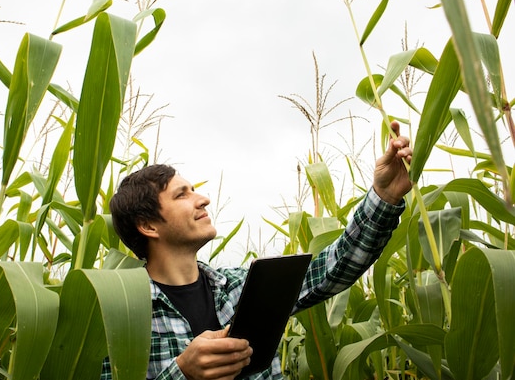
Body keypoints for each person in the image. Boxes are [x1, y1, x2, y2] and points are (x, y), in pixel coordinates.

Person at [102, 121, 413, 380]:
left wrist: (383, 196)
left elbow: (335, 266)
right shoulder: (119, 314)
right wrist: (183, 373)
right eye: (182, 195)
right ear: (148, 226)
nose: (203, 199)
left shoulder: (244, 286)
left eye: (195, 190)